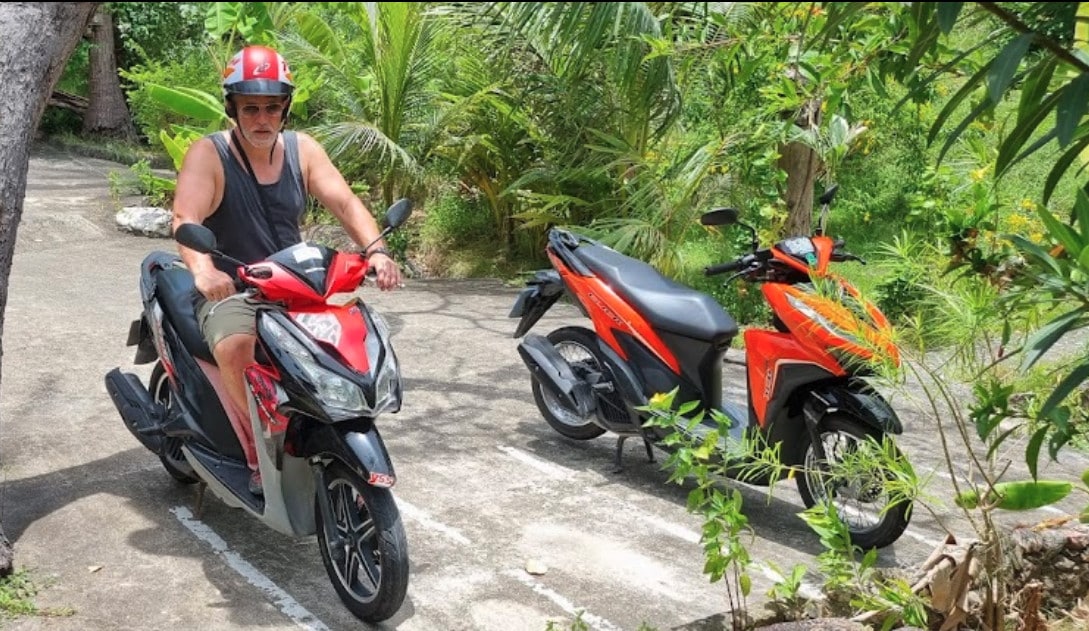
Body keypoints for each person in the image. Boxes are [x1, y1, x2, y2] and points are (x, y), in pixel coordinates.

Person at [171, 45, 403, 496]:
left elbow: (344, 201)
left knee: (351, 338)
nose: (262, 118)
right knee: (238, 345)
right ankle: (258, 452)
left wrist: (376, 251)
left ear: (285, 108)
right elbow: (186, 218)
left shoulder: (303, 149)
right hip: (233, 288)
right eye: (250, 108)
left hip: (297, 285)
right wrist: (204, 270)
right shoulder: (210, 154)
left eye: (272, 107)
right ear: (232, 108)